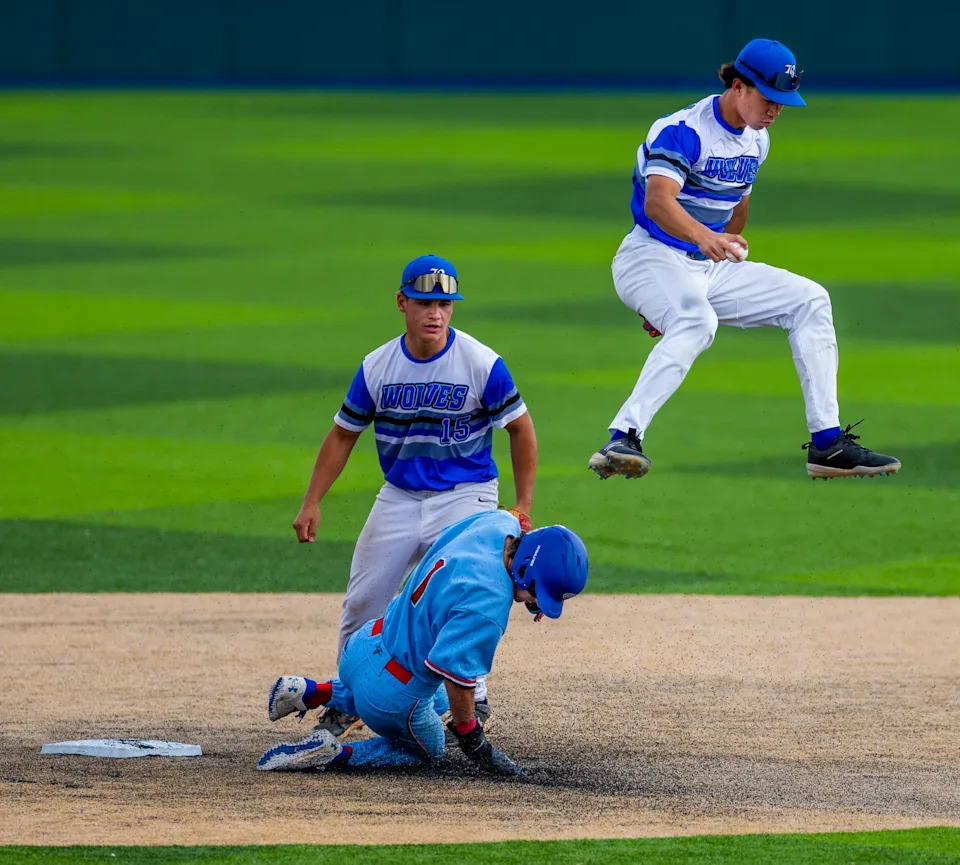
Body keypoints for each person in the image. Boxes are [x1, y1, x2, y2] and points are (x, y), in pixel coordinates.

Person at [588, 38, 901, 482]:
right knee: (698, 323)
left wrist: (729, 241)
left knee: (810, 300)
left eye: (784, 102)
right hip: (648, 257)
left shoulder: (758, 140)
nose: (776, 109)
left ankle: (828, 444)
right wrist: (701, 242)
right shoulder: (682, 130)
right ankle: (623, 436)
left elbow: (737, 205)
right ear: (738, 86)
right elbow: (659, 202)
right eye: (769, 97)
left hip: (705, 266)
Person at [292, 254, 537, 738]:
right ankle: (347, 697)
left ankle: (475, 700)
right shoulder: (377, 366)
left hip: (467, 496)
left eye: (445, 303)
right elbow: (343, 435)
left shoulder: (481, 363)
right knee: (363, 601)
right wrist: (312, 500)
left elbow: (521, 430)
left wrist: (522, 504)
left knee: (467, 592)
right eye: (425, 302)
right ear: (402, 303)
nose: (436, 313)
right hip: (400, 495)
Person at [257, 510, 588, 775]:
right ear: (527, 572)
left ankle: (311, 691)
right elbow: (458, 681)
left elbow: (514, 518)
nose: (535, 603)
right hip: (391, 695)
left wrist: (534, 595)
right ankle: (332, 753)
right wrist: (474, 741)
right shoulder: (487, 607)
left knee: (438, 701)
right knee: (430, 748)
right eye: (537, 594)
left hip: (363, 645)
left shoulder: (497, 523)